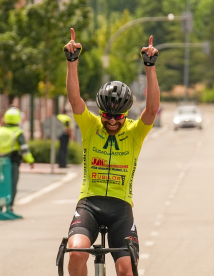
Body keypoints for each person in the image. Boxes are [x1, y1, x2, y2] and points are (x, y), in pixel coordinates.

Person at [64, 28, 160, 276]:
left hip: (120, 209)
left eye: (118, 116)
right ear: (100, 113)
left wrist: (150, 67)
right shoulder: (91, 126)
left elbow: (152, 109)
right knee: (75, 253)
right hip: (89, 204)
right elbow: (75, 100)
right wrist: (72, 62)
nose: (113, 121)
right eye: (107, 115)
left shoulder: (135, 132)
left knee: (126, 269)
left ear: (126, 114)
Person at [0, 108, 35, 208]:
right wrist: (30, 161)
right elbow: (24, 149)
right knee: (12, 183)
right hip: (12, 161)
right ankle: (9, 205)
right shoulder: (18, 132)